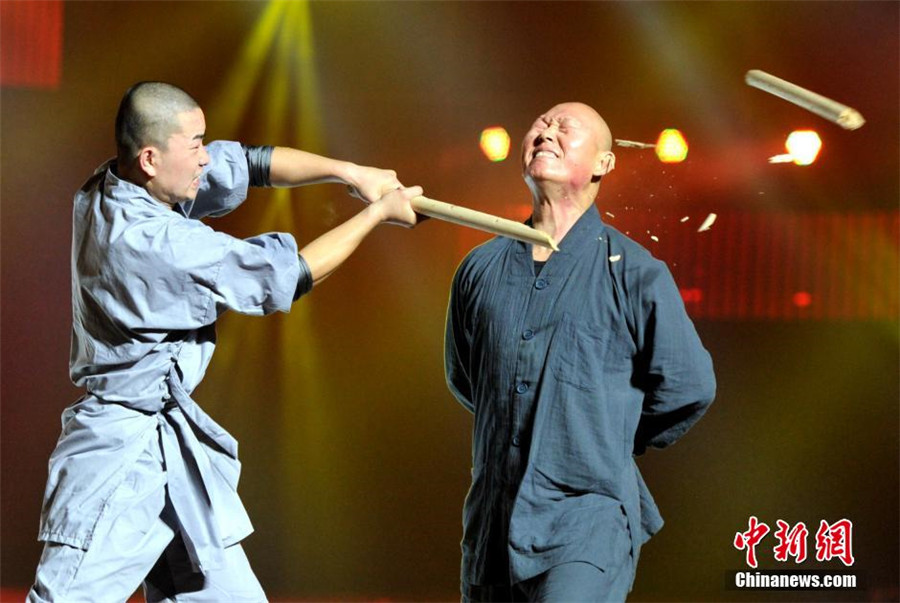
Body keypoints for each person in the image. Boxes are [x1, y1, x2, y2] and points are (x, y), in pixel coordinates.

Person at [29, 81, 421, 602]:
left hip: (172, 449)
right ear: (150, 158)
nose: (205, 156)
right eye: (194, 144)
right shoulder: (153, 242)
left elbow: (253, 163)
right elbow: (291, 275)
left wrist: (352, 173)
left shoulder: (110, 183)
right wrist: (377, 214)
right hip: (118, 456)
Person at [444, 102, 716, 602]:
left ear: (603, 164)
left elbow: (688, 386)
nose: (546, 131)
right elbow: (468, 380)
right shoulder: (478, 269)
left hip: (585, 522)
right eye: (540, 124)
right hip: (491, 528)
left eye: (564, 127)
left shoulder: (634, 271)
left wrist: (600, 432)